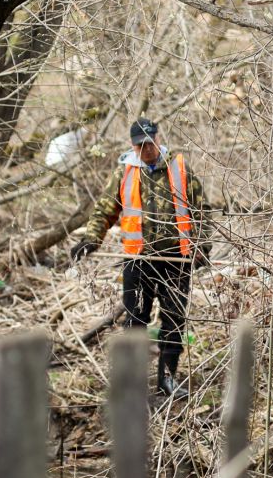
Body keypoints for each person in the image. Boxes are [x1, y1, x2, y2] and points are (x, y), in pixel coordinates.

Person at [70, 117, 211, 396]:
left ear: (158, 139)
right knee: (135, 320)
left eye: (149, 142)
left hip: (176, 259)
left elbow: (201, 209)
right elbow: (105, 210)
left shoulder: (180, 167)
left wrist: (202, 245)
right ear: (133, 146)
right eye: (140, 145)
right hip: (138, 261)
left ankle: (167, 379)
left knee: (174, 320)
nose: (146, 149)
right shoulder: (124, 172)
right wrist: (90, 240)